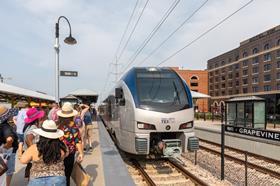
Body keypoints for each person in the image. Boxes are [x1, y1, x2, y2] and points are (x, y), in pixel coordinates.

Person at [20, 120, 68, 186]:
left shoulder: (35, 148)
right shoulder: (62, 147)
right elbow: (66, 154)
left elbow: (23, 161)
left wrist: (20, 150)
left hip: (37, 179)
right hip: (58, 179)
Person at [57, 102, 83, 186]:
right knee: (66, 176)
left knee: (58, 175)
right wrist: (81, 153)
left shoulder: (57, 125)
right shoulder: (73, 126)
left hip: (57, 154)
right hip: (69, 155)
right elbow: (77, 141)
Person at [23, 108, 45, 179]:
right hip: (33, 155)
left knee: (31, 173)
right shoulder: (33, 127)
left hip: (28, 153)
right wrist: (34, 152)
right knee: (33, 175)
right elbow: (28, 138)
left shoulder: (28, 126)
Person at [0, 105, 19, 186]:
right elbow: (9, 139)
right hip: (7, 153)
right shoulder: (6, 127)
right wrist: (6, 147)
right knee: (8, 171)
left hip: (2, 152)